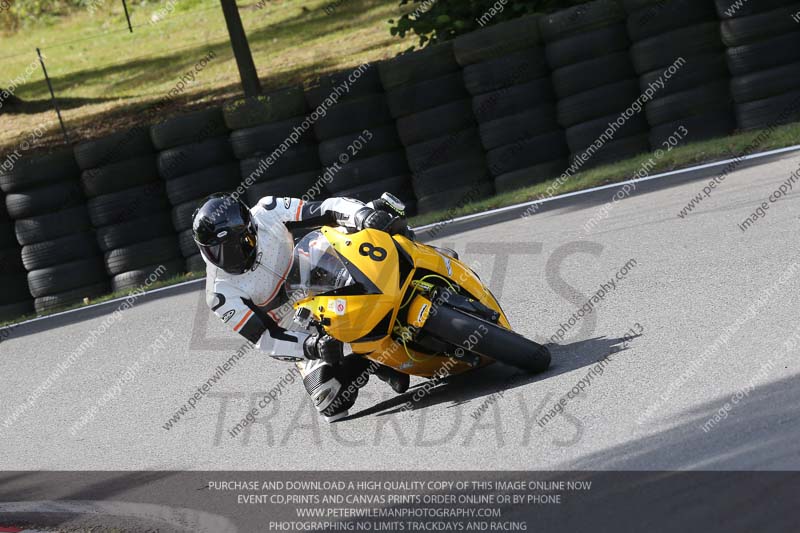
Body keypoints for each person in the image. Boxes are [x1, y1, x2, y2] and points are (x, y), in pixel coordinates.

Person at [191, 193, 411, 422]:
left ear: (250, 229)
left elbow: (326, 210)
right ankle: (374, 359)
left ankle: (410, 251)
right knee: (330, 400)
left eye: (236, 245)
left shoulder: (268, 211)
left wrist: (362, 215)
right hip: (294, 319)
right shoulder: (219, 293)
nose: (228, 259)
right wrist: (311, 346)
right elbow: (265, 337)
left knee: (372, 218)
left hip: (316, 268)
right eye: (215, 251)